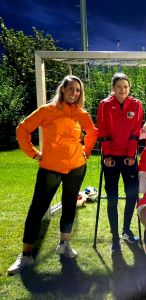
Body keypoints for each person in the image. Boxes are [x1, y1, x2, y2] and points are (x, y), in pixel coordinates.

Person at [8, 75, 97, 275]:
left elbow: (92, 133)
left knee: (69, 206)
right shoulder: (47, 111)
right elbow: (22, 129)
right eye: (71, 89)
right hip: (50, 168)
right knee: (37, 209)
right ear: (63, 90)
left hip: (76, 167)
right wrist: (33, 153)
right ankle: (25, 255)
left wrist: (86, 151)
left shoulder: (81, 114)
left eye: (78, 90)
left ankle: (64, 244)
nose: (75, 93)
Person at [97, 72, 144, 251]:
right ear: (113, 88)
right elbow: (102, 130)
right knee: (112, 198)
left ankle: (125, 230)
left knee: (132, 195)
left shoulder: (136, 104)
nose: (122, 90)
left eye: (125, 86)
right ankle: (115, 237)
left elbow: (136, 130)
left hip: (129, 157)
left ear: (129, 88)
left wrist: (131, 156)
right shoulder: (104, 105)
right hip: (111, 158)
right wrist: (107, 156)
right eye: (118, 86)